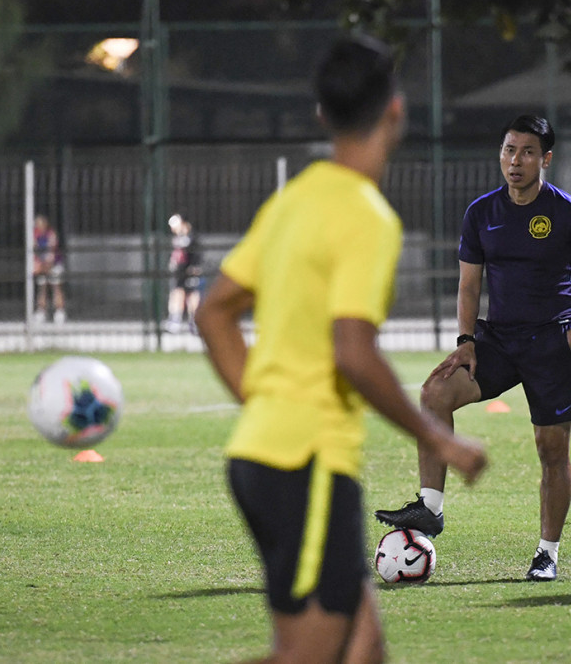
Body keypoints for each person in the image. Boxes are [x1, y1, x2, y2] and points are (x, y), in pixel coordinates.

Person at [194, 35, 487, 664]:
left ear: (322, 114)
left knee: (362, 648)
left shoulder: (293, 200)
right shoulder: (367, 217)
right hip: (305, 463)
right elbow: (354, 353)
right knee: (309, 654)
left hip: (269, 453)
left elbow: (214, 312)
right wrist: (439, 439)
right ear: (396, 111)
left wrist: (264, 401)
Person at [375, 114, 571, 582]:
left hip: (551, 343)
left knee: (551, 450)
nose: (516, 161)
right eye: (509, 150)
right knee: (435, 394)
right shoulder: (481, 212)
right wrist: (466, 342)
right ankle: (430, 507)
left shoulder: (565, 211)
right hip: (499, 341)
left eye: (528, 152)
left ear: (545, 159)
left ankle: (547, 553)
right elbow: (469, 286)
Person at [164, 213, 203, 333]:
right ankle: (175, 320)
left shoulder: (191, 237)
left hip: (190, 270)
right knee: (176, 293)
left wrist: (195, 266)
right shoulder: (177, 239)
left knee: (192, 296)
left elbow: (196, 253)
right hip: (179, 271)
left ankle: (194, 322)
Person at [32, 214, 66, 324]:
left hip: (54, 264)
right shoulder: (35, 235)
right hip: (42, 264)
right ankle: (41, 311)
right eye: (37, 225)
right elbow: (34, 250)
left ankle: (59, 311)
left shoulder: (51, 234)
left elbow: (51, 253)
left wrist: (46, 265)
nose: (38, 227)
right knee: (42, 287)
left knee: (56, 286)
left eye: (40, 224)